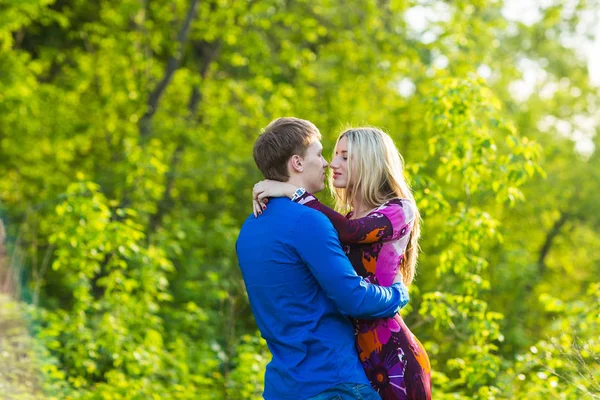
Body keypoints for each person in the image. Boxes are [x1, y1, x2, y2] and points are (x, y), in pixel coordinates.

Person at [236, 117, 411, 400]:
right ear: (297, 163)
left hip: (283, 387)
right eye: (319, 154)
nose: (327, 163)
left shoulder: (249, 229)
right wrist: (397, 294)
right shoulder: (309, 222)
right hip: (332, 382)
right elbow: (353, 298)